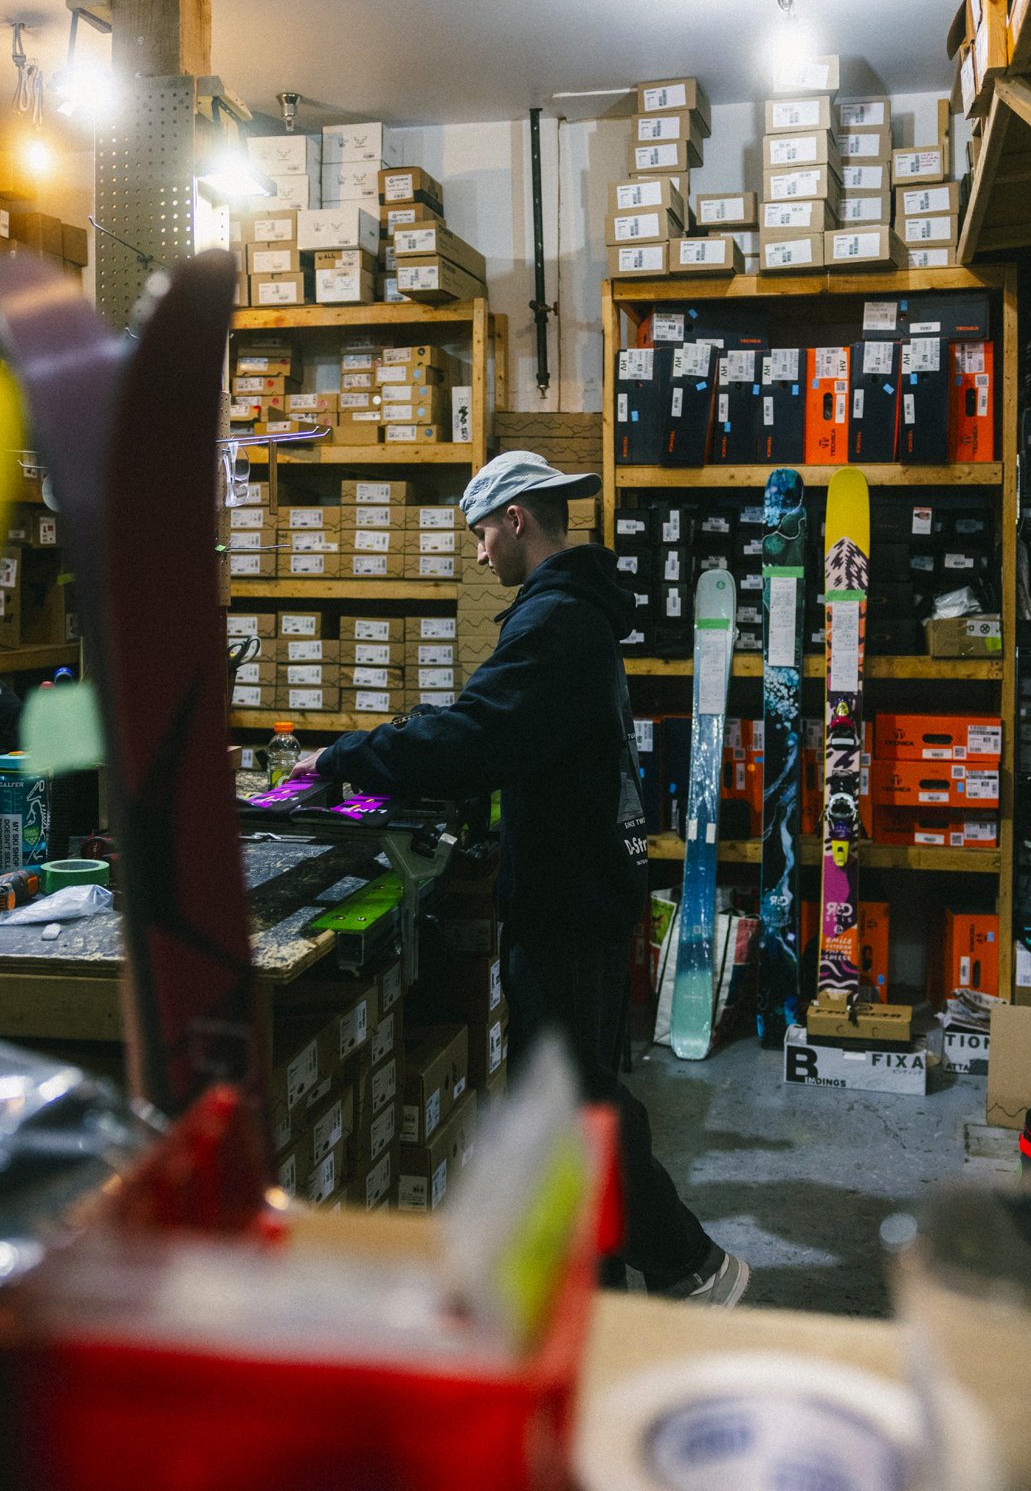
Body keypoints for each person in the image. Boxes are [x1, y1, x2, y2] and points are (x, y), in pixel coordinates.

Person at [292, 451, 750, 1304]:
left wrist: (349, 756)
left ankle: (692, 1265)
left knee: (574, 1096)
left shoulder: (555, 622)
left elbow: (477, 739)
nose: (476, 556)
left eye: (478, 535)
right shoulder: (569, 610)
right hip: (582, 881)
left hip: (568, 894)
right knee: (574, 1088)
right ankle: (600, 1283)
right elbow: (504, 729)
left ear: (514, 521)